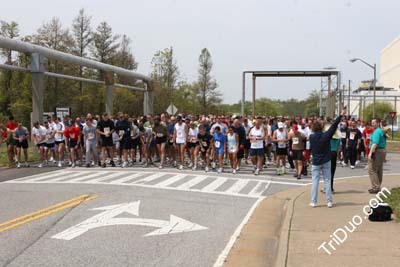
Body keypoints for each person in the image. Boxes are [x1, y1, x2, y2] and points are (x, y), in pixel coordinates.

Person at [309, 108, 346, 208]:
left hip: (316, 161)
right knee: (327, 180)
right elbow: (333, 127)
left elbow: (311, 148)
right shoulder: (326, 135)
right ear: (321, 128)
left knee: (315, 182)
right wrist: (340, 115)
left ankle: (313, 201)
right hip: (326, 160)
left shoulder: (311, 137)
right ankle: (329, 201)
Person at [367, 118, 386, 194]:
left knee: (372, 169)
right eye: (372, 123)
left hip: (377, 151)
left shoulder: (377, 132)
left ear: (378, 123)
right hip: (382, 151)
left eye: (374, 123)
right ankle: (377, 185)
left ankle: (376, 187)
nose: (372, 124)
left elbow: (375, 143)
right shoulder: (381, 131)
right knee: (378, 169)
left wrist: (370, 153)